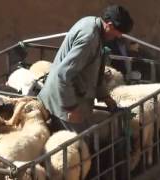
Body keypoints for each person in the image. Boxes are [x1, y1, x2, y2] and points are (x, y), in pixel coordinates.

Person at [38, 4, 133, 134]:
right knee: (77, 148)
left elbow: (94, 70)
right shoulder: (90, 38)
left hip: (75, 100)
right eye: (119, 32)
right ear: (109, 25)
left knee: (87, 144)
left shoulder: (93, 25)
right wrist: (70, 108)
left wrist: (105, 97)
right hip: (64, 104)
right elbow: (64, 74)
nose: (119, 37)